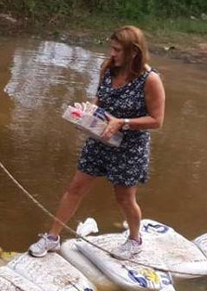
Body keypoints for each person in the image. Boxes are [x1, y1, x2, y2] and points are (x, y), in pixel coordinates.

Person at [29, 26, 166, 259]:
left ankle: (135, 239)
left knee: (124, 197)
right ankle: (52, 238)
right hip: (99, 139)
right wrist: (88, 111)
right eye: (111, 48)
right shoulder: (109, 69)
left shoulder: (150, 80)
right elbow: (99, 99)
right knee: (76, 187)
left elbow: (157, 120)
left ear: (134, 52)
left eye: (117, 50)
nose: (112, 54)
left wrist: (122, 122)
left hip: (129, 147)